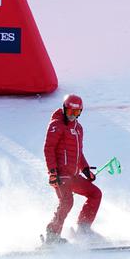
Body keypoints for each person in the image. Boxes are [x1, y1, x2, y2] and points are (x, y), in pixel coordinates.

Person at [42, 93, 101, 244]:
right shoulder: (56, 125)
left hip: (73, 175)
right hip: (61, 175)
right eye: (70, 112)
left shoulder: (78, 128)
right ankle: (52, 235)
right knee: (67, 202)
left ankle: (83, 228)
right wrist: (53, 172)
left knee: (95, 193)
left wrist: (86, 170)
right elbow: (49, 149)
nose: (73, 116)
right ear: (64, 109)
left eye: (77, 113)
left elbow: (78, 153)